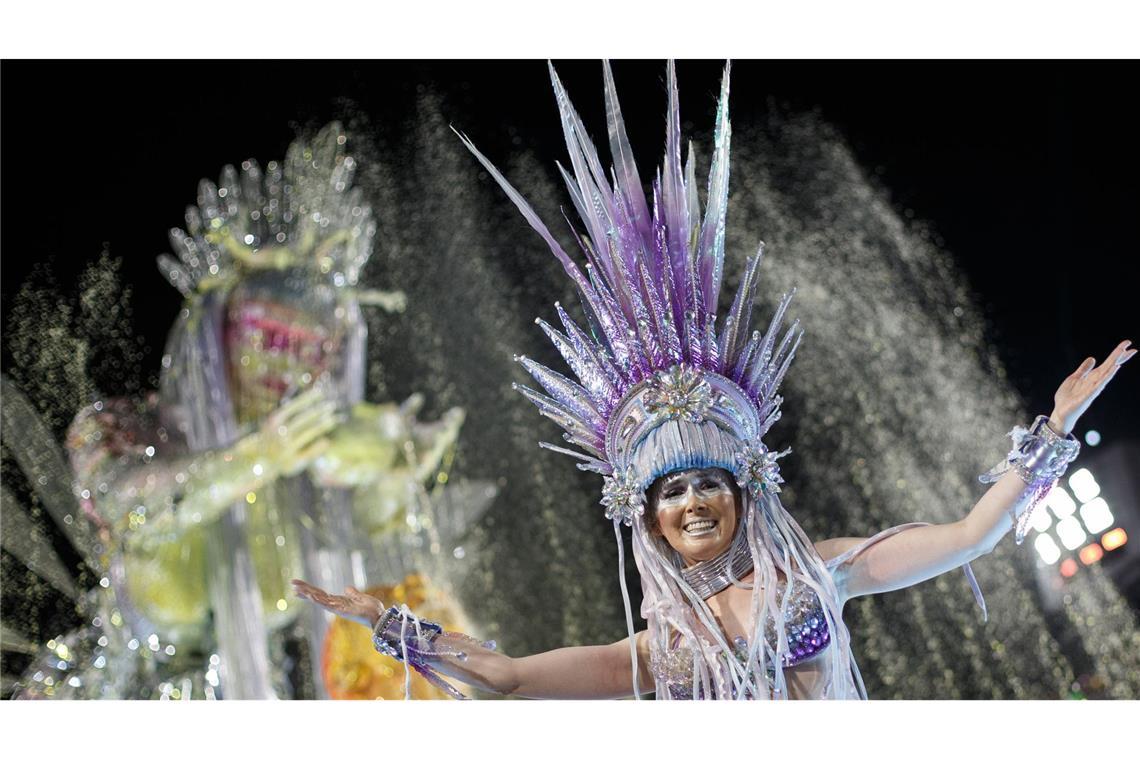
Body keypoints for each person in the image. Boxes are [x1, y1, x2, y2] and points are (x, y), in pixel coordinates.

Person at [293, 62, 1134, 700]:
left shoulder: (818, 572)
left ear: (744, 488)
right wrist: (395, 628)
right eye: (670, 492)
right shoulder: (659, 646)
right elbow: (508, 680)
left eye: (706, 481)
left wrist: (1054, 432)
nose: (692, 501)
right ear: (646, 515)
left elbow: (970, 537)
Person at [65, 123, 466, 698]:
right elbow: (132, 507)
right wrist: (256, 456)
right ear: (214, 336)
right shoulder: (125, 430)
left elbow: (374, 536)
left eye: (311, 348)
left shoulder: (312, 464)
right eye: (268, 339)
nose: (286, 369)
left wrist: (398, 472)